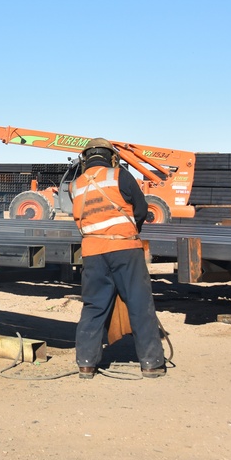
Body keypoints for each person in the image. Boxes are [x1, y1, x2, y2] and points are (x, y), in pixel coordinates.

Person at [70, 138, 166, 379]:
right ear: (113, 157)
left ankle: (86, 364)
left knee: (93, 305)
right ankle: (151, 363)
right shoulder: (118, 176)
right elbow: (142, 210)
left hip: (92, 252)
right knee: (139, 303)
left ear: (85, 159)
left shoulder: (76, 185)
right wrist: (131, 231)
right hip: (124, 249)